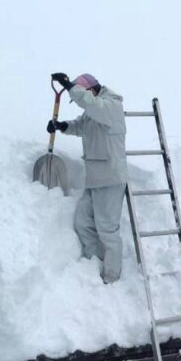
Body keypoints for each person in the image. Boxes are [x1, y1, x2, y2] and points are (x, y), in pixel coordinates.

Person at [46, 72, 128, 283]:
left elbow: (91, 105)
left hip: (110, 178)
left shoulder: (111, 106)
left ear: (91, 90)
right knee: (83, 222)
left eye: (82, 96)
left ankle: (111, 277)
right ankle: (95, 262)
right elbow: (81, 126)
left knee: (108, 231)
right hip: (94, 179)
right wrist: (62, 126)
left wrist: (69, 85)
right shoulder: (93, 111)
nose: (81, 103)